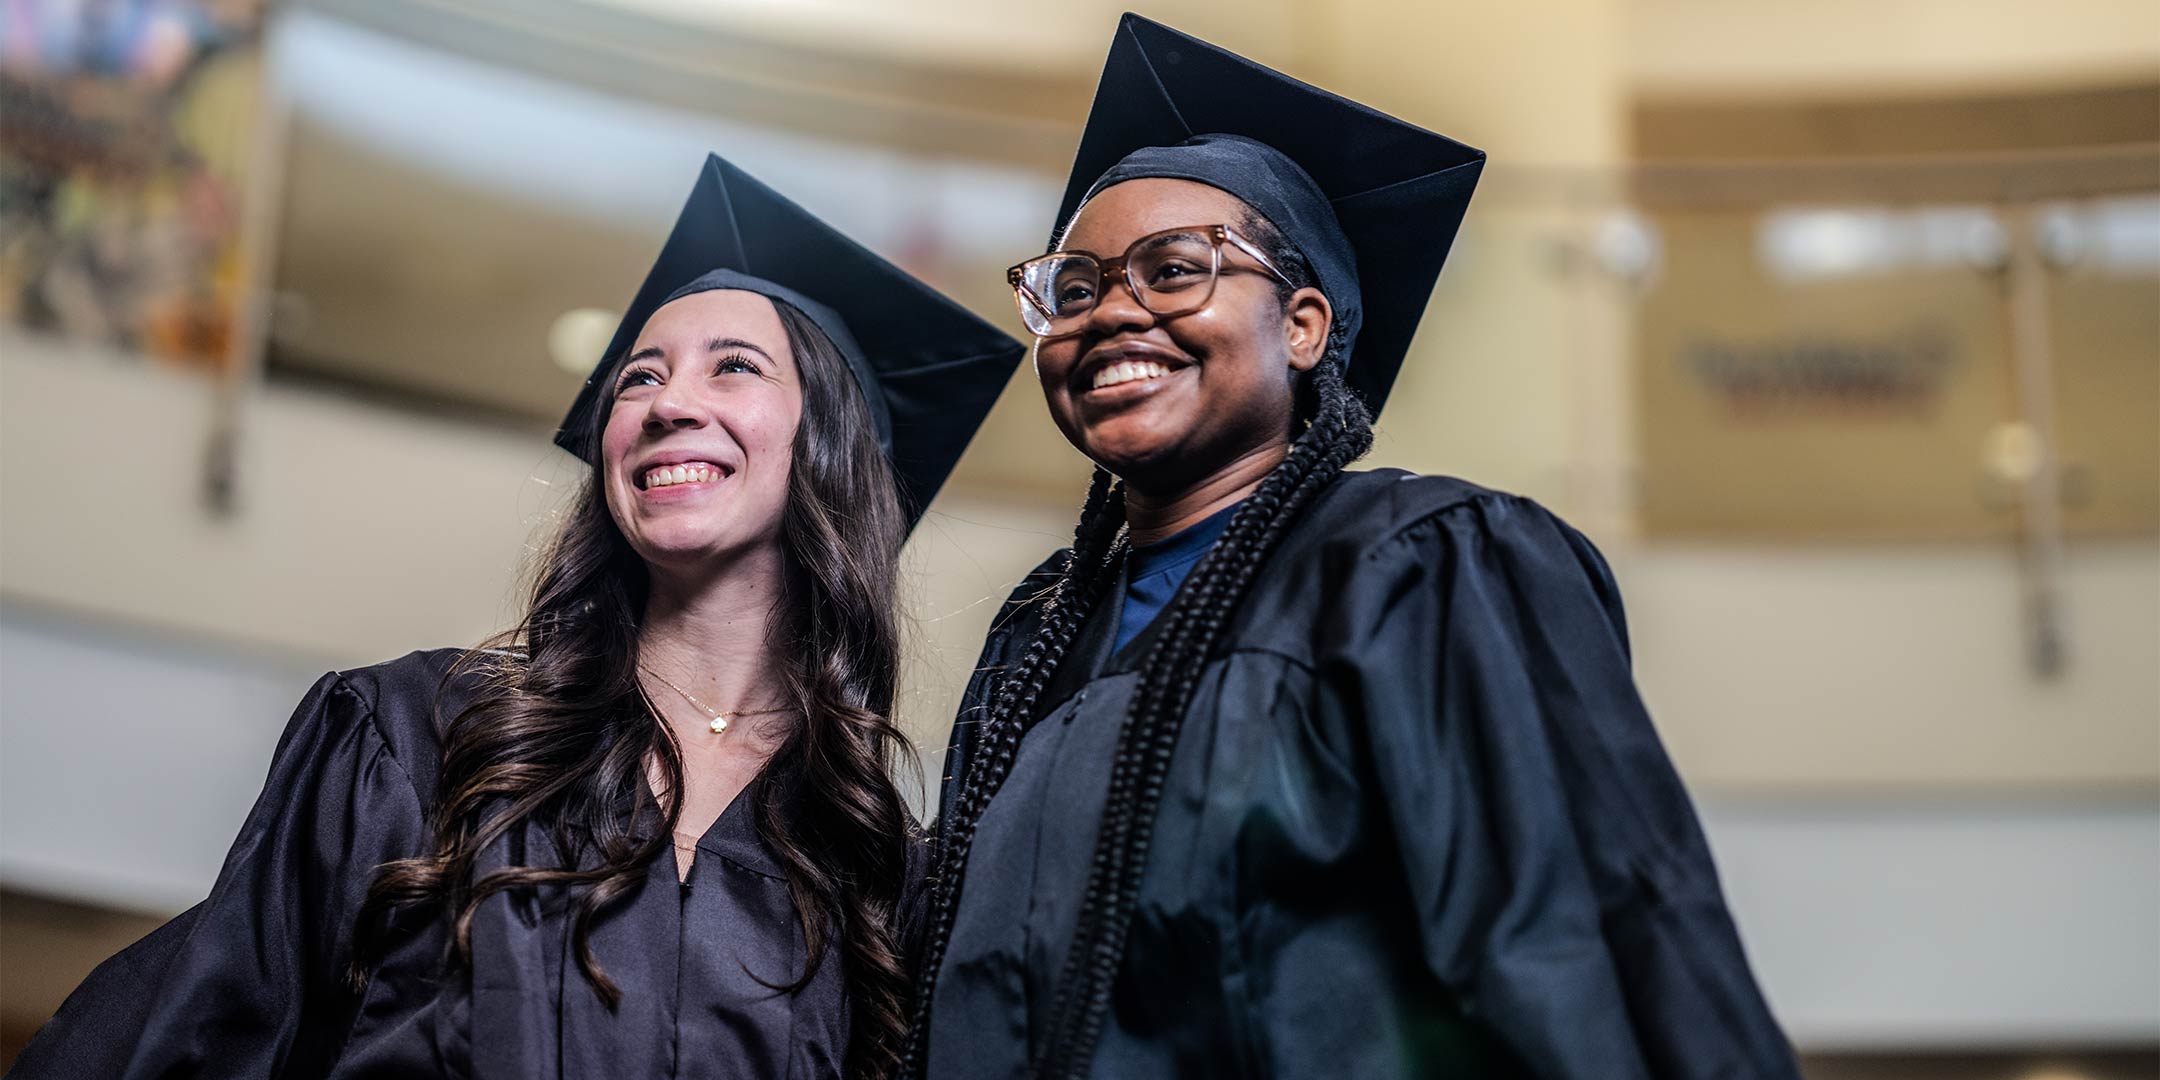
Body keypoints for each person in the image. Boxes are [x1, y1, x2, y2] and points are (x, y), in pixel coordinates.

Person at [908, 16, 1801, 1080]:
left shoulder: (1424, 565)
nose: (1110, 314)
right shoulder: (1036, 641)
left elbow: (1576, 950)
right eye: (1076, 289)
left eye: (1175, 269)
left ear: (1303, 326)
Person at [12, 153, 1023, 1080]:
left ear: (832, 446)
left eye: (734, 366)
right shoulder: (420, 737)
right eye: (638, 376)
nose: (667, 404)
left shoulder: (878, 876)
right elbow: (195, 1037)